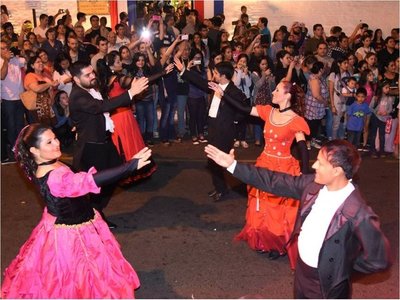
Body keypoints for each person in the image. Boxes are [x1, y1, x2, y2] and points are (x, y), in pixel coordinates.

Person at [204, 140, 391, 299]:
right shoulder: (313, 185)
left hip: (327, 287)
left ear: (337, 171)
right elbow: (273, 181)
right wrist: (232, 165)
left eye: (320, 163)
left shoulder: (359, 212)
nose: (314, 166)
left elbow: (379, 260)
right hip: (302, 273)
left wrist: (341, 269)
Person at [1, 123, 152, 298]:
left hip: (65, 220)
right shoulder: (55, 177)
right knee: (77, 272)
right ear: (34, 150)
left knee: (87, 268)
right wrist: (129, 166)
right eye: (49, 142)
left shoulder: (44, 163)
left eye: (55, 138)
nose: (56, 143)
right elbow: (89, 181)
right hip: (71, 234)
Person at [69, 60, 149, 228]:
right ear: (76, 79)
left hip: (104, 141)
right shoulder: (78, 95)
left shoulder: (90, 89)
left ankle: (95, 211)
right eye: (87, 75)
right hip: (92, 147)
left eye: (92, 72)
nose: (92, 76)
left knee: (116, 175)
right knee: (98, 183)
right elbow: (100, 106)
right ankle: (93, 214)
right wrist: (130, 93)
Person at [174, 58, 249, 202]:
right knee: (212, 160)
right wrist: (184, 71)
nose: (213, 75)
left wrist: (232, 122)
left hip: (225, 131)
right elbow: (201, 82)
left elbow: (242, 111)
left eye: (215, 73)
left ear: (223, 76)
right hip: (213, 128)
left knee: (217, 161)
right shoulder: (216, 86)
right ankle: (219, 188)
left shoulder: (234, 92)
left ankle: (224, 190)